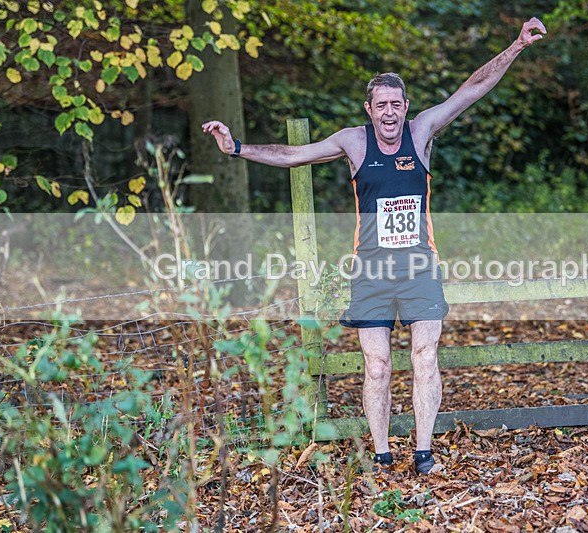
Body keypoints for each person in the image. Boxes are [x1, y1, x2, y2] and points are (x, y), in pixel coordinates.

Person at [202, 17, 547, 475]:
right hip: (372, 271)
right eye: (381, 105)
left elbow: (472, 88)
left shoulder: (421, 132)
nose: (389, 113)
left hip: (420, 265)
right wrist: (236, 148)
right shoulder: (353, 142)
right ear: (369, 108)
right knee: (378, 365)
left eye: (396, 105)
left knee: (425, 355)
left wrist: (516, 46)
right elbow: (292, 155)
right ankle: (383, 454)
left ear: (406, 107)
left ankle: (423, 452)